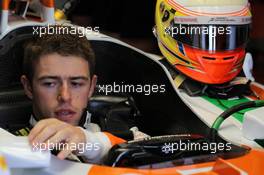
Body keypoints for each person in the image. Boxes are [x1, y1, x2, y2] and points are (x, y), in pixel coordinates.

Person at [18, 26, 130, 163]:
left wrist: (87, 142)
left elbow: (156, 151)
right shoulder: (10, 143)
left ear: (91, 87)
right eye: (49, 84)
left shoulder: (116, 128)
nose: (65, 96)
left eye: (76, 84)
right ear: (28, 87)